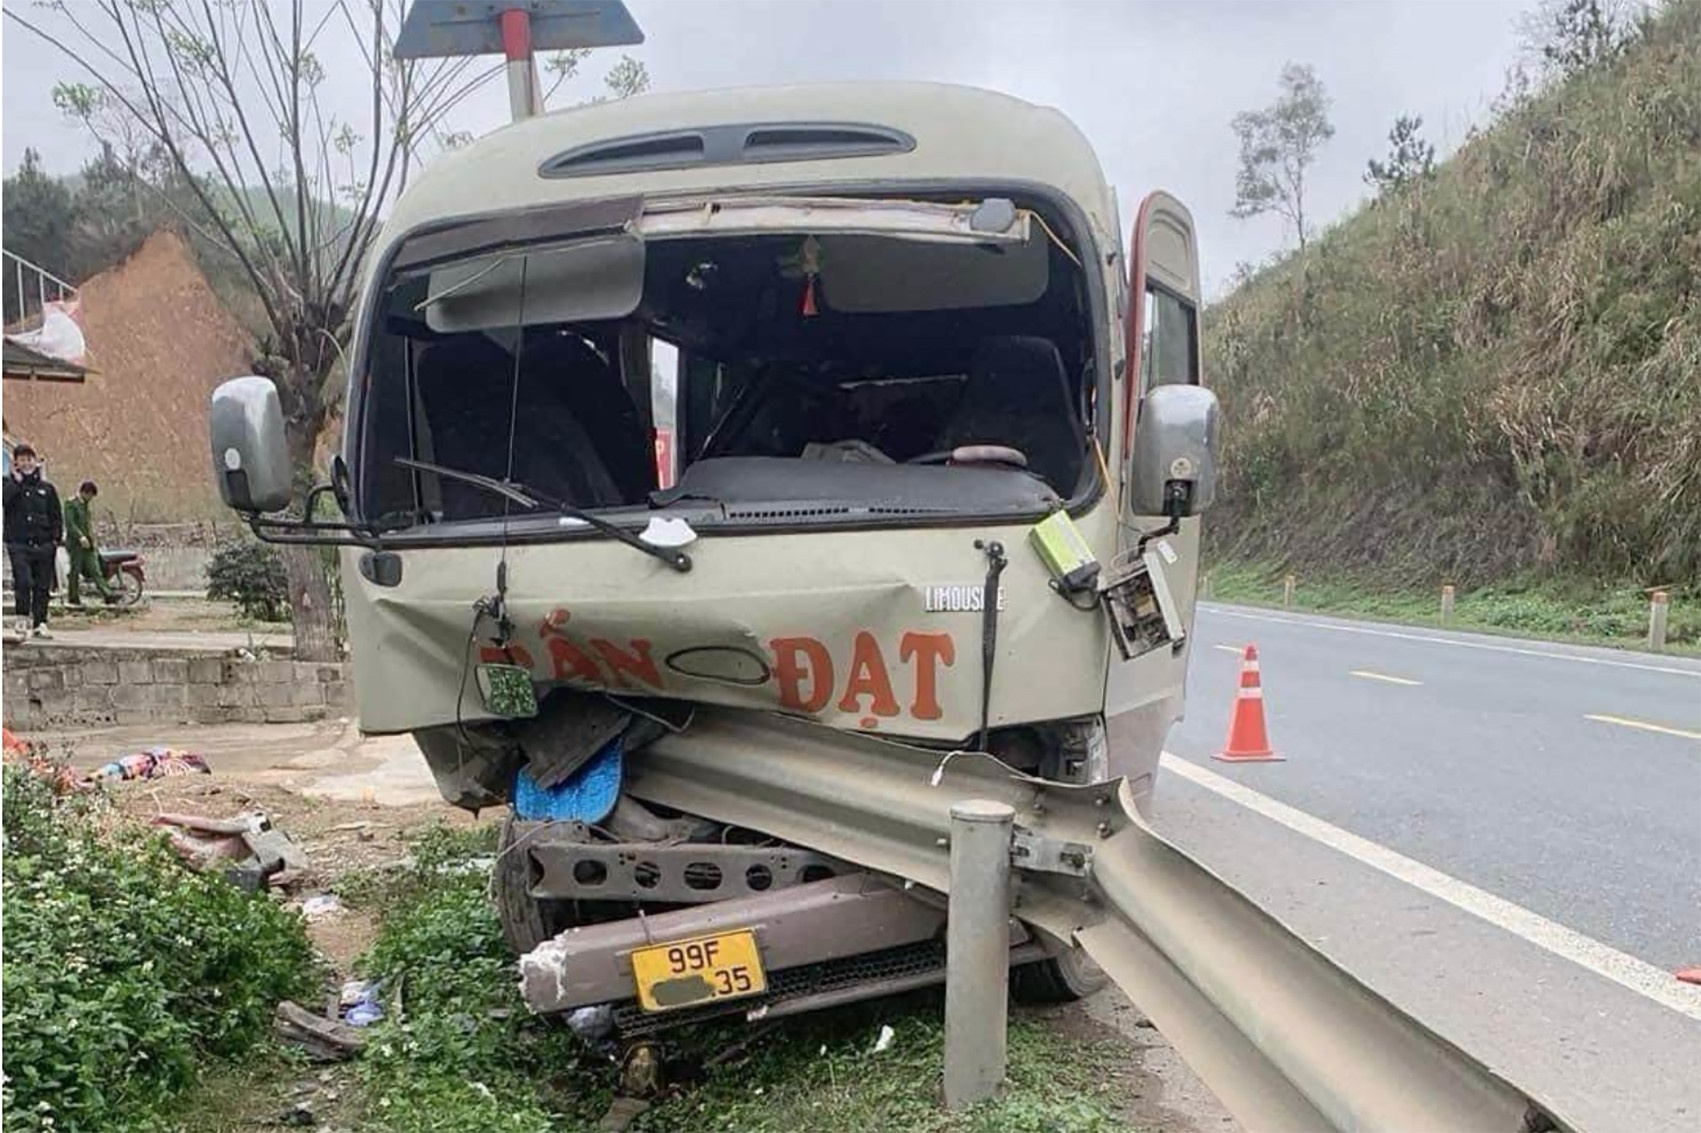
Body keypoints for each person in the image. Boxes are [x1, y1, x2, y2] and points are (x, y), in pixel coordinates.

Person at [3, 443, 64, 638]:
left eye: (29, 459)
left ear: (35, 461)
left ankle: (40, 622)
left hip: (44, 544)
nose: (27, 463)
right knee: (23, 581)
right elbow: (4, 501)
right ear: (16, 463)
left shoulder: (46, 488)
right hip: (19, 543)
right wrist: (16, 481)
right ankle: (22, 617)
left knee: (42, 585)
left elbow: (56, 514)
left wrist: (55, 540)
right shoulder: (8, 483)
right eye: (22, 460)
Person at [64, 480, 116, 607]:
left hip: (89, 545)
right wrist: (80, 537)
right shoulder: (71, 504)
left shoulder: (85, 504)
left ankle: (107, 594)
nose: (90, 499)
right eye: (90, 496)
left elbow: (87, 524)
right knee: (75, 571)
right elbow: (70, 524)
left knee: (95, 569)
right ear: (83, 493)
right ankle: (73, 597)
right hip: (76, 544)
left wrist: (92, 539)